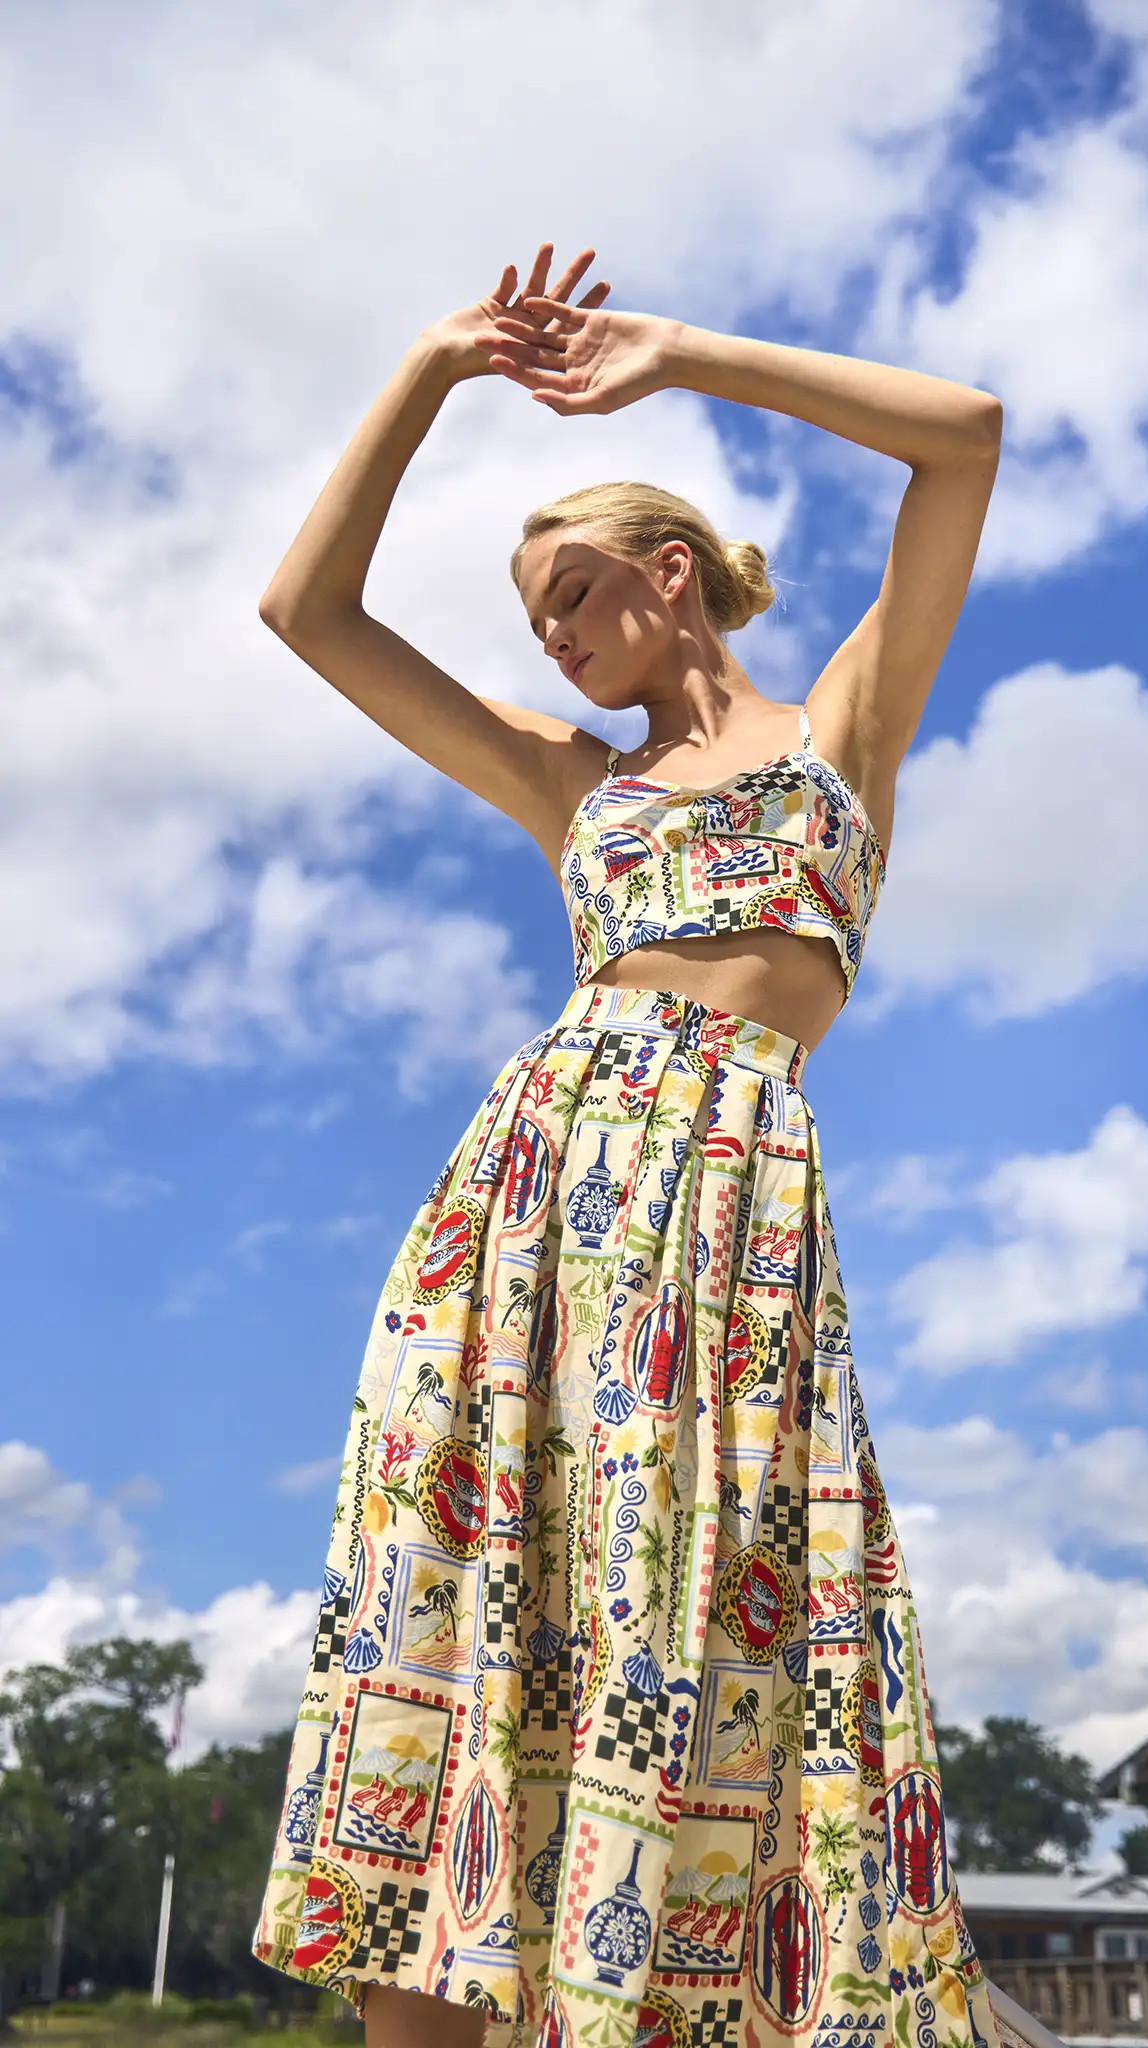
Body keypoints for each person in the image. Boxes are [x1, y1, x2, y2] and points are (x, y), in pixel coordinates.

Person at [252, 243, 1002, 2048]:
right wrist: (431, 368)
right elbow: (307, 613)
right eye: (539, 626)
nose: (559, 643)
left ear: (672, 575)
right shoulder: (567, 782)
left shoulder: (839, 737)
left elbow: (963, 437)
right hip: (529, 1211)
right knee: (463, 1618)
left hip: (733, 1220)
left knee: (709, 1625)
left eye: (575, 597)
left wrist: (672, 353)